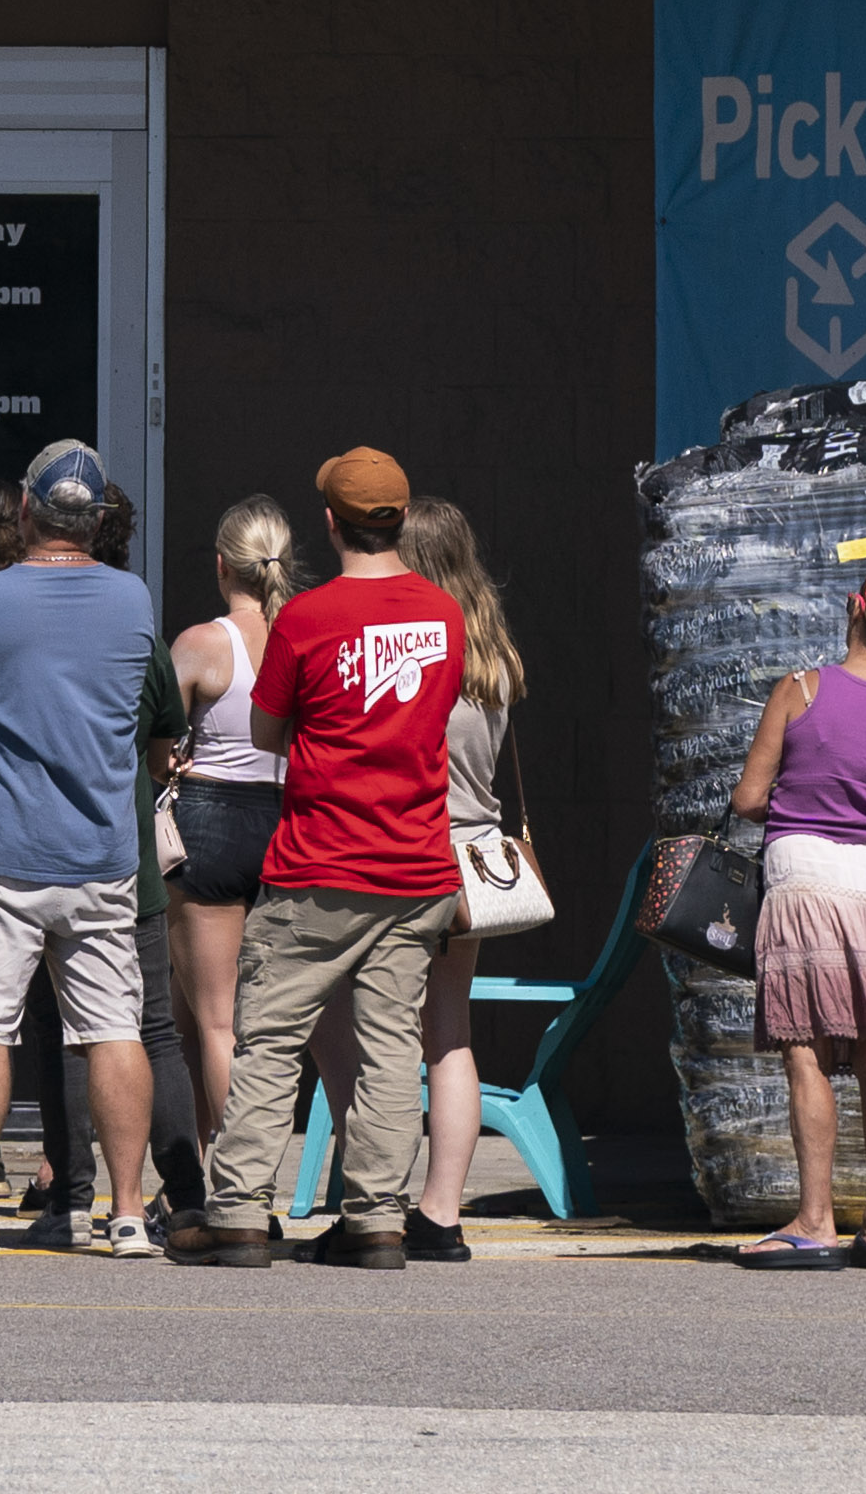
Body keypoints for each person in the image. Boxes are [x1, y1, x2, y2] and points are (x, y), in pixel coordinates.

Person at [178, 445, 461, 1269]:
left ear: (330, 524)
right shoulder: (444, 615)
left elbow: (268, 734)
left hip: (317, 865)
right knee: (388, 1051)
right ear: (400, 521)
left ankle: (237, 1213)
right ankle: (376, 1220)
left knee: (268, 1041)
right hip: (414, 868)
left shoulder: (305, 620)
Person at [0, 437, 169, 1257]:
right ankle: (128, 1213)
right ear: (96, 520)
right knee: (113, 1028)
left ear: (25, 509)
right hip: (100, 852)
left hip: (0, 853)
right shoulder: (133, 600)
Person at [731, 550, 866, 1268]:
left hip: (807, 878)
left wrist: (809, 796)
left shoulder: (800, 689)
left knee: (806, 1049)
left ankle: (815, 1219)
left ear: (856, 609)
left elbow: (748, 798)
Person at [399, 493, 525, 1263]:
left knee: (373, 1031)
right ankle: (442, 1211)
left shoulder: (422, 652)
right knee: (449, 1037)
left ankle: (375, 1200)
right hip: (473, 862)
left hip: (412, 852)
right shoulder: (495, 655)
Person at [165, 495, 296, 1205]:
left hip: (210, 820)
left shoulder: (203, 642)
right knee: (236, 1021)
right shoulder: (302, 635)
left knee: (215, 1023)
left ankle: (237, 1192)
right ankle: (205, 1168)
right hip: (284, 825)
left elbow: (150, 731)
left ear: (222, 565)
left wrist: (173, 764)